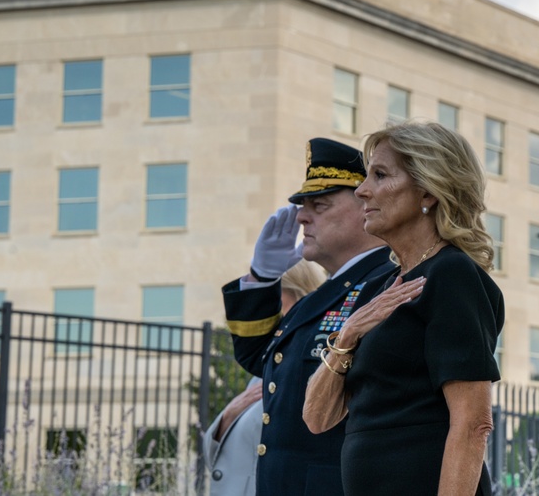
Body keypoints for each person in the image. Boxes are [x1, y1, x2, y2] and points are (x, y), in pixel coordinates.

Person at [303, 121, 505, 496]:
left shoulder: (451, 275)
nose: (362, 191)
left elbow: (473, 423)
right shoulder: (379, 291)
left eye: (380, 175)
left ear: (428, 190)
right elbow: (317, 418)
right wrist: (347, 335)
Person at [222, 138, 396, 496]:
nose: (301, 217)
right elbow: (261, 359)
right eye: (303, 206)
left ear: (366, 205)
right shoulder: (323, 297)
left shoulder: (386, 286)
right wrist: (261, 279)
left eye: (320, 204)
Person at [202, 259, 326, 495]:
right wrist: (228, 415)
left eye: (274, 305)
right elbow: (214, 460)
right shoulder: (263, 373)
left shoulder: (309, 369)